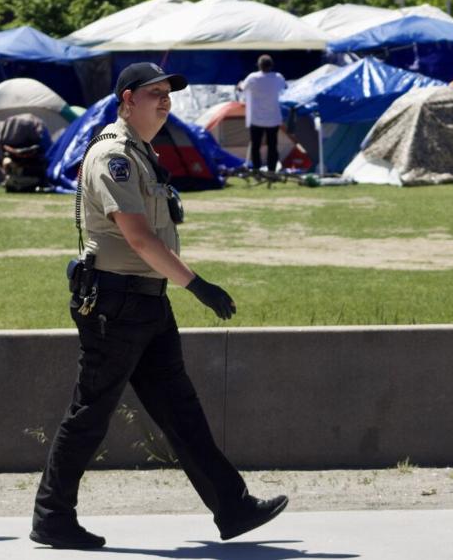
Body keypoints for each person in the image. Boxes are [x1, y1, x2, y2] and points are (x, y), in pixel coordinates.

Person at [31, 61, 288, 550]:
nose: (166, 101)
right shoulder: (114, 156)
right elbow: (138, 237)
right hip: (115, 302)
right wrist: (197, 285)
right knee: (90, 413)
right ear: (127, 99)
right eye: (155, 94)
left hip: (145, 301)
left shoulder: (143, 153)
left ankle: (232, 507)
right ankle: (51, 516)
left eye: (169, 93)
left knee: (181, 410)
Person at [236, 54, 287, 174]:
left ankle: (256, 169)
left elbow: (242, 88)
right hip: (273, 118)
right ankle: (272, 170)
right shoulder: (278, 77)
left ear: (259, 65)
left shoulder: (252, 78)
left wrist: (239, 85)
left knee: (255, 146)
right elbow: (285, 87)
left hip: (256, 119)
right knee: (272, 146)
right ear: (271, 65)